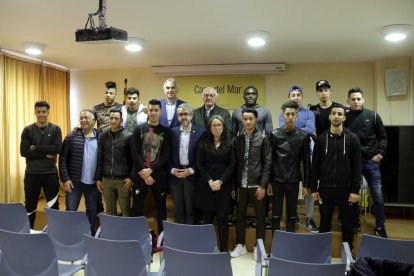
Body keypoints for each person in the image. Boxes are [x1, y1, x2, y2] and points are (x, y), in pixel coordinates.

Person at [310, 106, 361, 250]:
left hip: (346, 189)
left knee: (347, 223)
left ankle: (348, 253)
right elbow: (315, 167)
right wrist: (314, 188)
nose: (336, 116)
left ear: (344, 118)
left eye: (340, 114)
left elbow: (357, 167)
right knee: (324, 222)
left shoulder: (353, 139)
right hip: (325, 188)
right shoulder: (321, 140)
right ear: (330, 117)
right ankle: (321, 252)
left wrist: (355, 190)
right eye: (334, 113)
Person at [345, 87, 388, 238]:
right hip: (353, 162)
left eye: (358, 99)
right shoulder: (345, 117)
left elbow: (383, 137)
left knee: (377, 194)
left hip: (371, 161)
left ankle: (380, 226)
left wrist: (380, 154)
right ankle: (355, 223)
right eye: (353, 99)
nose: (356, 102)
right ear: (348, 101)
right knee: (353, 194)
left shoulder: (374, 116)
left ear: (363, 100)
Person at [230, 108, 271, 258]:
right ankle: (240, 245)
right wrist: (234, 185)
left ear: (256, 120)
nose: (248, 121)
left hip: (257, 185)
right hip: (241, 185)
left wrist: (263, 185)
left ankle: (258, 246)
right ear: (242, 120)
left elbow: (267, 164)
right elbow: (234, 164)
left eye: (250, 119)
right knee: (239, 216)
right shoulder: (237, 139)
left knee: (260, 218)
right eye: (245, 119)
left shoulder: (263, 138)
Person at [194, 115, 235, 252]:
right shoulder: (203, 143)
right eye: (214, 125)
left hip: (223, 185)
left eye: (219, 125)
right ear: (209, 127)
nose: (217, 128)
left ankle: (224, 250)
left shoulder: (230, 142)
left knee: (222, 218)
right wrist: (210, 181)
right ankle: (208, 248)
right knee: (208, 219)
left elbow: (232, 165)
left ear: (223, 127)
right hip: (207, 185)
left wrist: (221, 181)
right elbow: (199, 165)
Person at [278, 85, 317, 232]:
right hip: (288, 156)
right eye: (293, 95)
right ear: (289, 97)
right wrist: (300, 132)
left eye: (298, 95)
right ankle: (291, 216)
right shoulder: (282, 113)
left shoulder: (309, 114)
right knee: (290, 187)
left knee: (308, 185)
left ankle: (309, 218)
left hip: (307, 153)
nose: (295, 97)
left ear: (302, 97)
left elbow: (310, 130)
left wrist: (293, 130)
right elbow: (283, 130)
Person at [269, 100, 311, 233]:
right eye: (288, 114)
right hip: (277, 180)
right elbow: (270, 159)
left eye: (293, 114)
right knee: (275, 214)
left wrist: (306, 184)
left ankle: (289, 242)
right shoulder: (275, 134)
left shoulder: (303, 136)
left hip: (293, 181)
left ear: (296, 116)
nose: (290, 117)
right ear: (283, 116)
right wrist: (269, 182)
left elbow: (306, 161)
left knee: (292, 215)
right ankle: (276, 243)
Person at [20, 100, 62, 228]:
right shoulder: (27, 130)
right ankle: (29, 232)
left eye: (44, 112)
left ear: (48, 112)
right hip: (32, 173)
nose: (41, 114)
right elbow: (23, 152)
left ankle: (55, 232)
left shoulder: (55, 129)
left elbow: (57, 149)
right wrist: (45, 154)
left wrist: (35, 147)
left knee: (53, 205)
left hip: (50, 173)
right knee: (30, 205)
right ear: (35, 112)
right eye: (38, 112)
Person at [130, 99, 170, 234]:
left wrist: (151, 171)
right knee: (136, 207)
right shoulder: (138, 129)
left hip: (158, 175)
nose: (153, 113)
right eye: (151, 110)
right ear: (147, 110)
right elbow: (134, 152)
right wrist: (144, 172)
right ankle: (137, 236)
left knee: (161, 208)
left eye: (156, 110)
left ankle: (162, 238)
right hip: (139, 175)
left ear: (160, 112)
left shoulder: (166, 132)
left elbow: (165, 155)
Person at [59, 109, 100, 234]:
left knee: (92, 209)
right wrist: (65, 179)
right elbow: (63, 159)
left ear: (94, 120)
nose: (83, 120)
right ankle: (70, 234)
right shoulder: (71, 136)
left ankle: (90, 233)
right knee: (71, 209)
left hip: (93, 182)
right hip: (74, 182)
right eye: (81, 118)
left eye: (86, 118)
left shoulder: (101, 137)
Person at [169, 103, 205, 224]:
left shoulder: (201, 133)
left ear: (191, 116)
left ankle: (190, 239)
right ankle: (179, 240)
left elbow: (202, 157)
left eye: (186, 114)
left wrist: (191, 170)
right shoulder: (172, 132)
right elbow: (166, 155)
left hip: (192, 176)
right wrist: (172, 170)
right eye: (180, 114)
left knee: (191, 210)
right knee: (178, 210)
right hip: (175, 175)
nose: (183, 117)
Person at [96, 108, 133, 217]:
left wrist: (131, 177)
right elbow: (100, 158)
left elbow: (133, 159)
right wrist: (98, 178)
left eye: (116, 118)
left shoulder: (128, 136)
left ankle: (125, 233)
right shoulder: (103, 137)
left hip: (123, 180)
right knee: (110, 210)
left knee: (125, 210)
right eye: (111, 118)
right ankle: (112, 233)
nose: (113, 121)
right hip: (106, 179)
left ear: (121, 120)